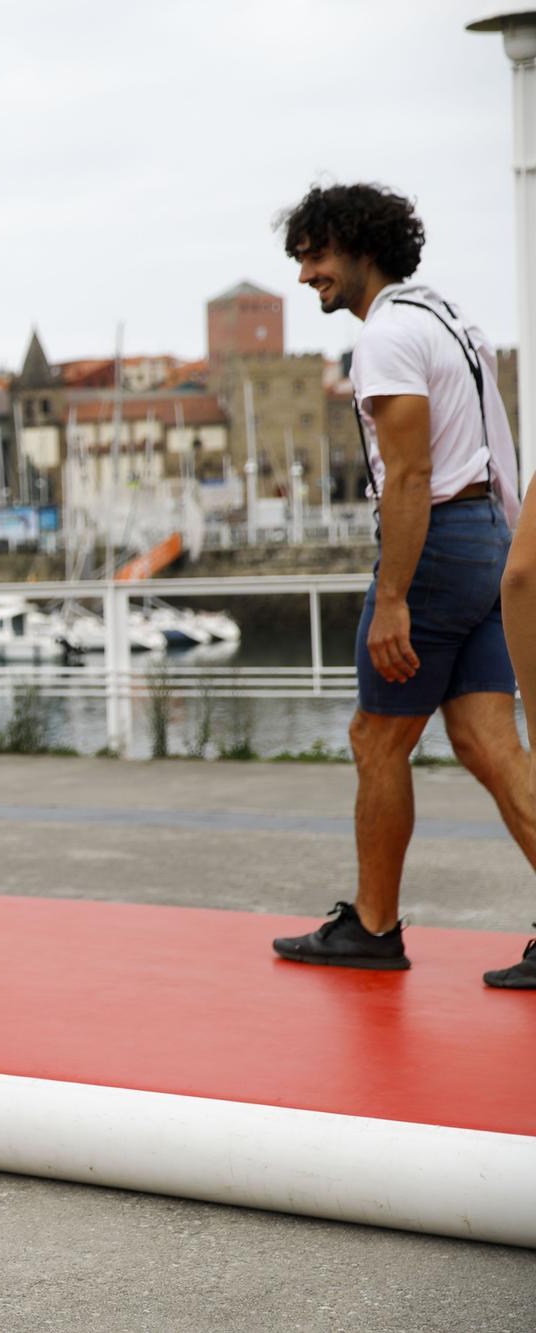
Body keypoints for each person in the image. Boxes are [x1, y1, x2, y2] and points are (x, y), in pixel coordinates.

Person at [270, 182, 536, 988]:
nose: (307, 273)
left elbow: (413, 473)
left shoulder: (385, 337)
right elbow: (495, 444)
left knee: (376, 737)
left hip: (440, 543)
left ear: (361, 248)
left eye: (316, 255)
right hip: (489, 536)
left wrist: (394, 594)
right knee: (489, 744)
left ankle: (374, 927)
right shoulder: (455, 322)